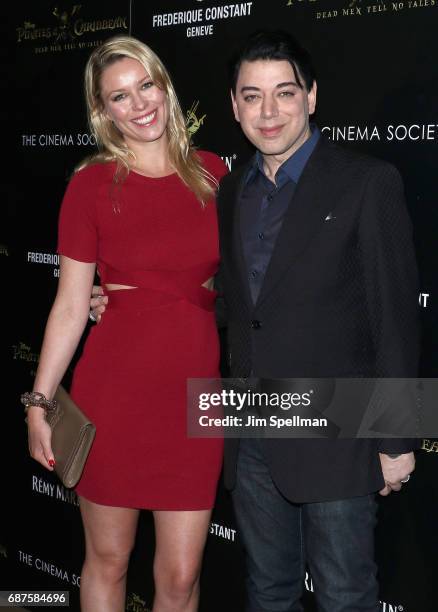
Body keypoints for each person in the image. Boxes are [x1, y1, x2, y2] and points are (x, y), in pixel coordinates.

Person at [90, 31, 420, 611]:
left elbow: (396, 317)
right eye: (252, 96)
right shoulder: (228, 188)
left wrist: (397, 441)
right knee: (267, 592)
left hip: (338, 427)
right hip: (249, 428)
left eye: (285, 93)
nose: (269, 112)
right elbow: (233, 305)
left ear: (312, 97)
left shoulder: (368, 182)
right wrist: (125, 301)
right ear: (234, 106)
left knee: (345, 595)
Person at [24, 35, 226, 612]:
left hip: (196, 401)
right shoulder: (90, 185)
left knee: (182, 578)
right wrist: (38, 402)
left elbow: (241, 279)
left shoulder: (213, 174)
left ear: (164, 85)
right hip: (115, 396)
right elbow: (68, 304)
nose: (139, 105)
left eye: (146, 86)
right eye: (119, 96)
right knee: (108, 563)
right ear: (102, 110)